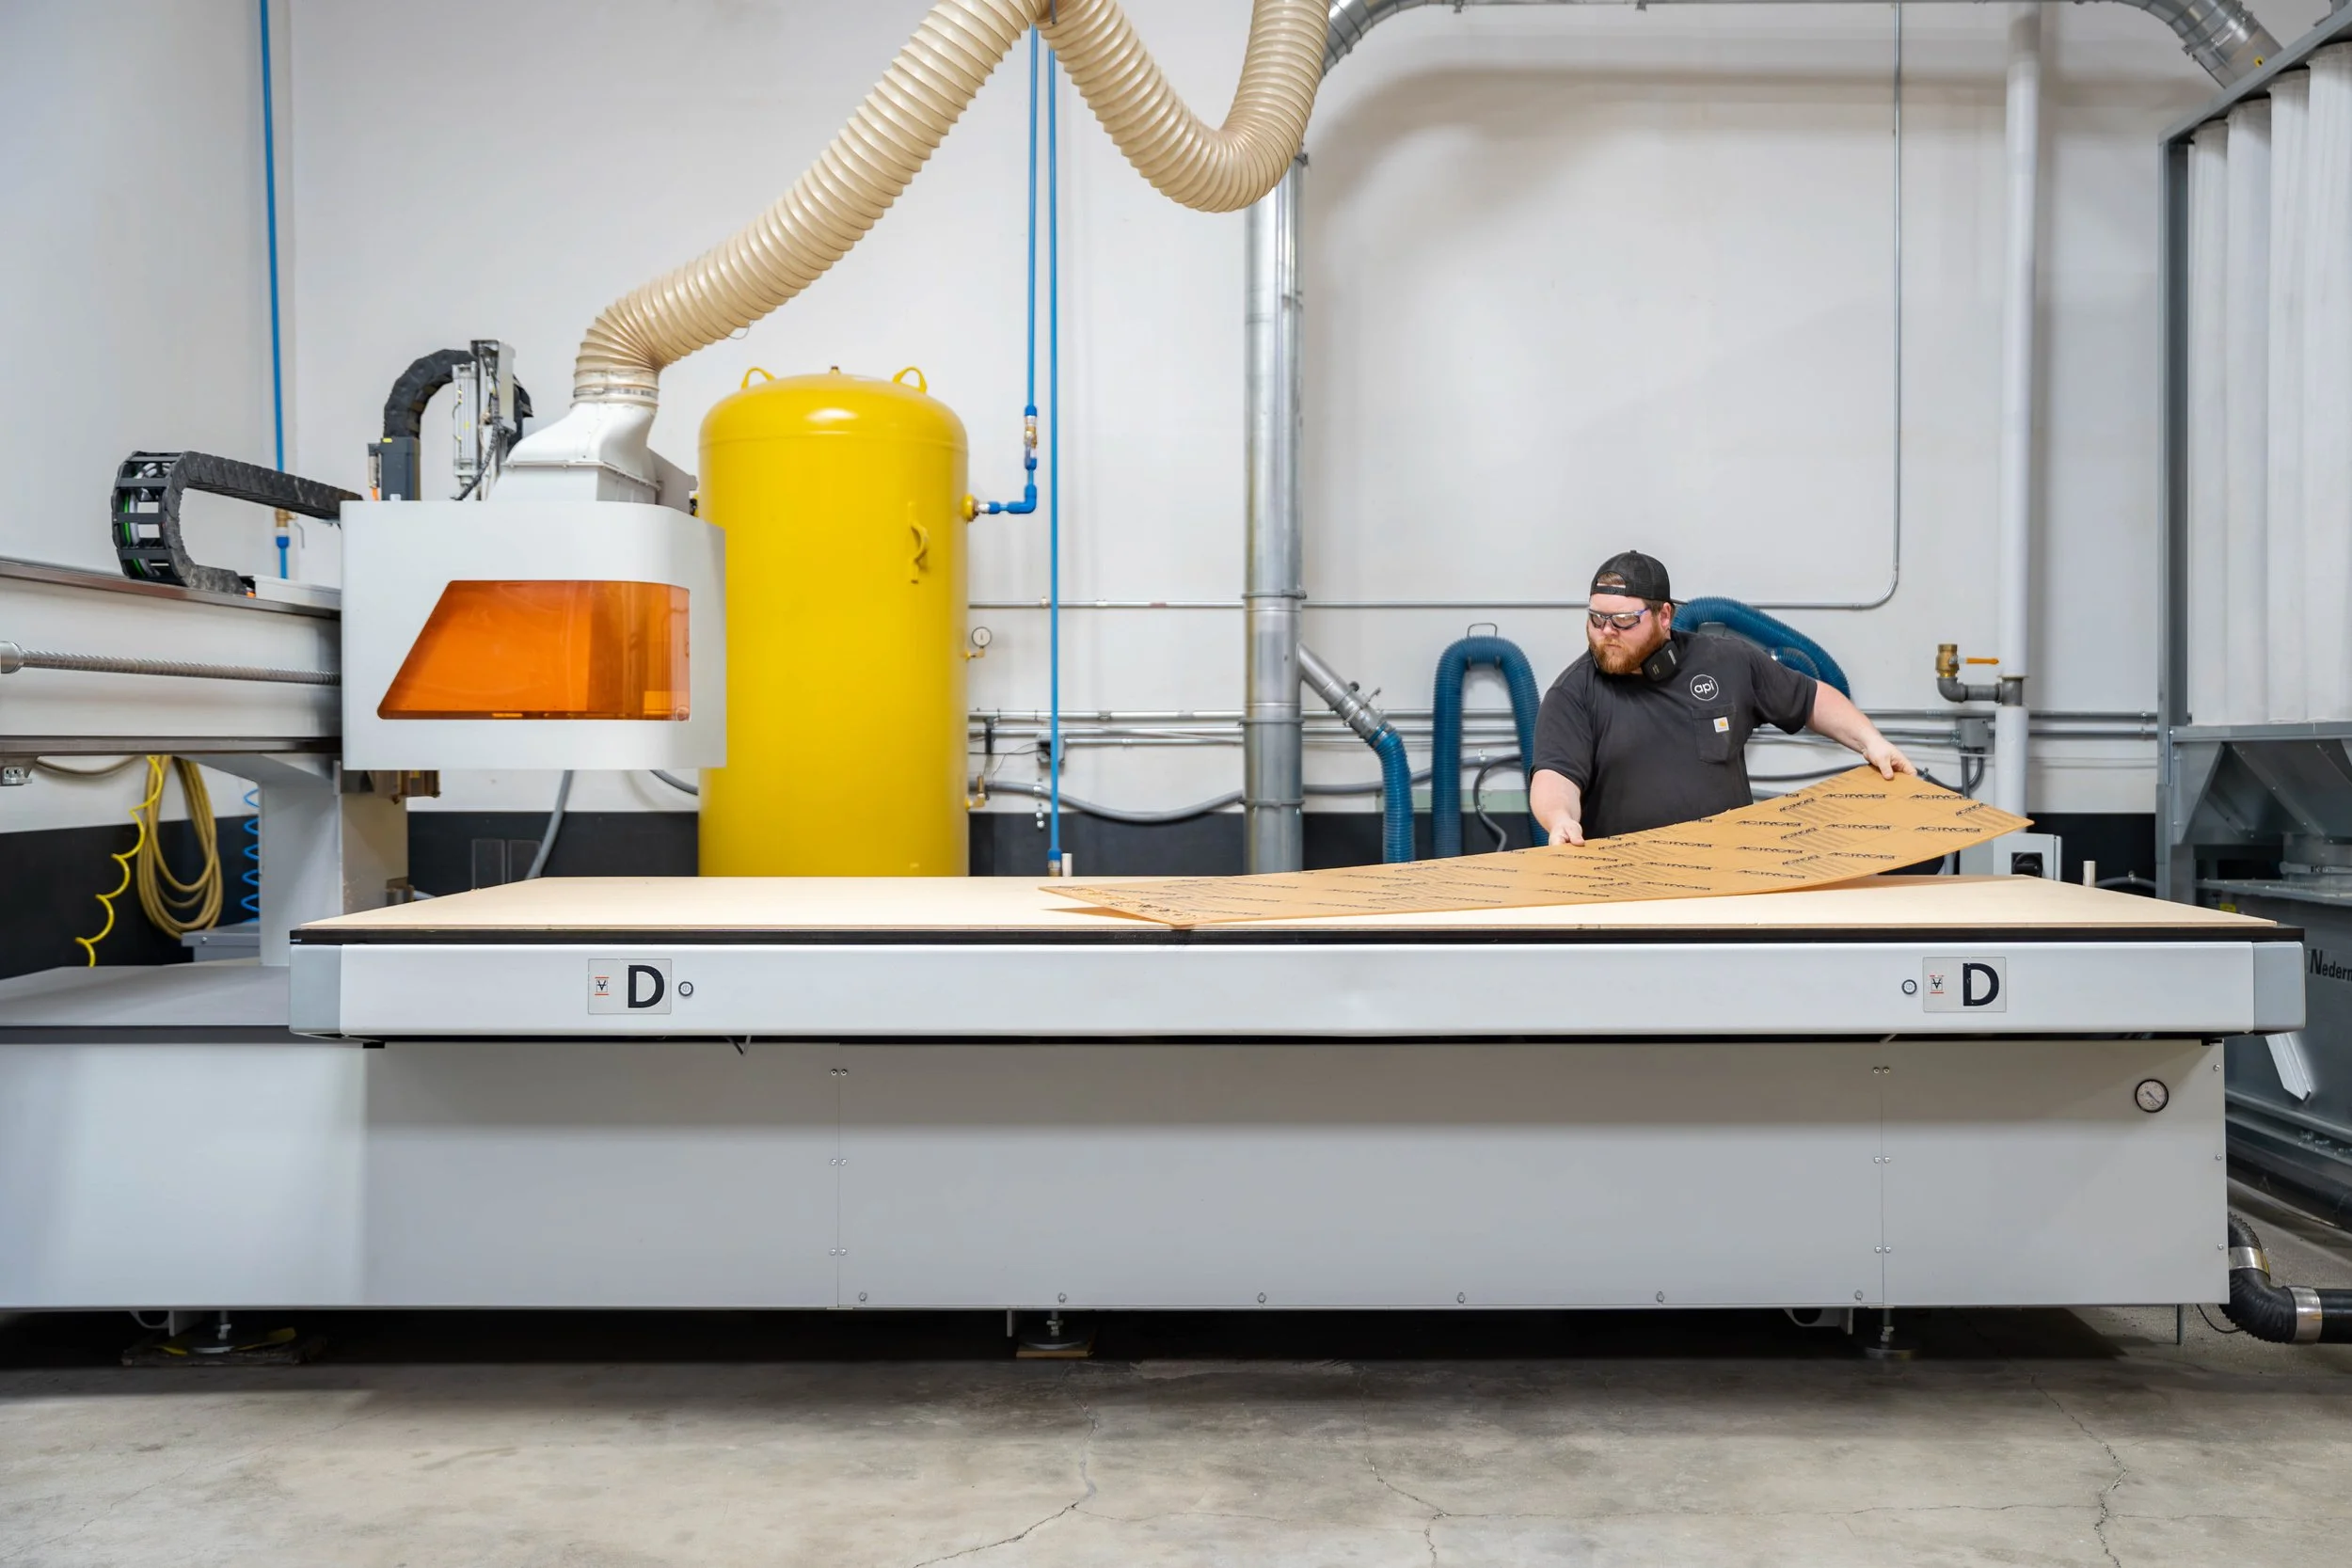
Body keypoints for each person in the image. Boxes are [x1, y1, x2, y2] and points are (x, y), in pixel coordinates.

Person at [1529, 550, 1915, 847]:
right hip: (1626, 891)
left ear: (1665, 616)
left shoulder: (1727, 661)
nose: (1607, 632)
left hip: (1729, 882)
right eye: (1597, 619)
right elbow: (1554, 776)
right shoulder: (1573, 694)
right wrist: (1560, 818)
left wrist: (1873, 742)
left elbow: (1811, 699)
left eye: (1624, 620)